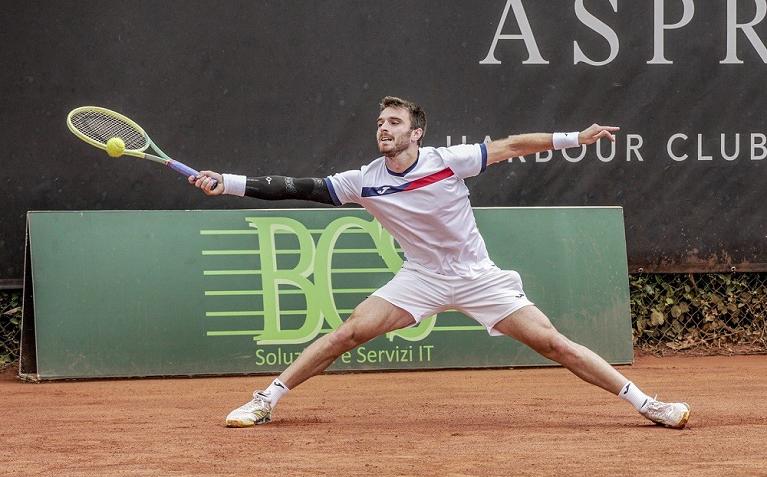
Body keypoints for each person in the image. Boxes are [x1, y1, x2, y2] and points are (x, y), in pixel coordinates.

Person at [190, 96, 690, 429]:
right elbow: (300, 188)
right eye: (380, 124)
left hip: (477, 278)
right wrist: (229, 182)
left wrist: (573, 139)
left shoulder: (448, 161)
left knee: (554, 344)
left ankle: (648, 405)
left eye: (394, 123)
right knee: (347, 333)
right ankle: (265, 401)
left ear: (417, 132)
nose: (383, 129)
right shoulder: (363, 179)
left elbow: (513, 145)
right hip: (421, 278)